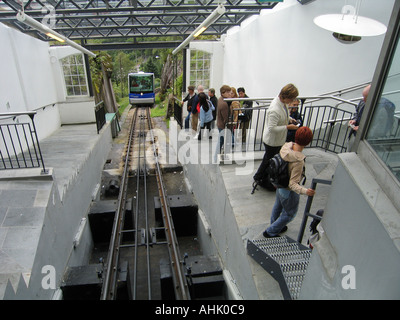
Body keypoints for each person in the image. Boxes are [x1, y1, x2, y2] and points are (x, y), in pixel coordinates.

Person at [263, 126, 316, 238]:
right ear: (307, 142)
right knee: (289, 214)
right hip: (287, 189)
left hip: (279, 184)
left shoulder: (286, 147)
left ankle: (276, 225)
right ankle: (271, 231)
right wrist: (306, 191)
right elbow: (292, 184)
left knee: (278, 206)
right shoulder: (298, 161)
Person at [253, 84, 300, 191]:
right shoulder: (275, 109)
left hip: (277, 139)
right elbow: (272, 128)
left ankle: (261, 177)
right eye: (291, 99)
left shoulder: (282, 103)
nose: (292, 101)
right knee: (268, 160)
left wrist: (290, 119)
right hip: (272, 141)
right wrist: (288, 127)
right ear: (286, 96)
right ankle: (259, 177)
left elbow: (284, 115)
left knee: (268, 160)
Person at [347, 84, 370, 150]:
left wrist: (363, 128)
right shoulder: (362, 102)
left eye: (365, 97)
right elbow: (357, 113)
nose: (363, 99)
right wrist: (354, 120)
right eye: (363, 97)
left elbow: (377, 126)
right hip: (355, 134)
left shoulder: (379, 107)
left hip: (365, 140)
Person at [216, 85, 232, 153]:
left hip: (220, 124)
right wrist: (229, 124)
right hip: (223, 125)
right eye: (227, 92)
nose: (230, 93)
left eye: (230, 91)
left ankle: (217, 155)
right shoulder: (224, 104)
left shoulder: (221, 99)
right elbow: (225, 118)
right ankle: (218, 156)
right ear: (223, 93)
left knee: (221, 140)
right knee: (223, 140)